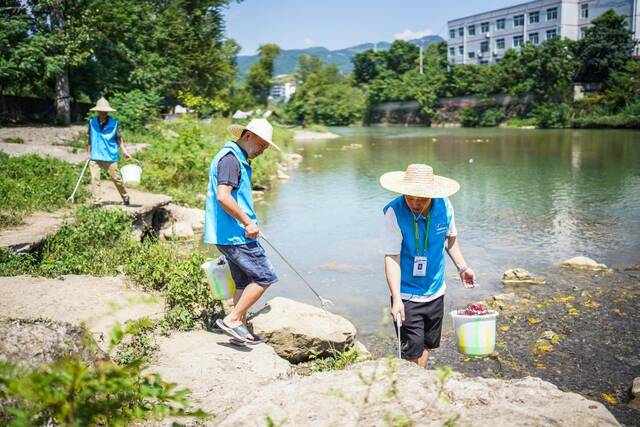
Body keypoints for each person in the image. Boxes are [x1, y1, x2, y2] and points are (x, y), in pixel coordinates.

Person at [380, 163, 477, 368]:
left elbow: (450, 239)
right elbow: (392, 257)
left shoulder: (445, 206)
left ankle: (419, 379)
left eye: (421, 198)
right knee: (410, 349)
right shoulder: (394, 213)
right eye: (410, 196)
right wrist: (397, 299)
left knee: (426, 344)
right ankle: (412, 385)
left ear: (432, 194)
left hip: (436, 291)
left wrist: (462, 268)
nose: (414, 202)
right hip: (407, 295)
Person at [204, 118, 281, 344]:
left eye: (266, 148)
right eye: (261, 145)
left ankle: (240, 331)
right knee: (265, 276)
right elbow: (223, 196)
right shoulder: (230, 160)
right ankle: (233, 319)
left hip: (227, 234)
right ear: (248, 136)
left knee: (243, 281)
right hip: (236, 234)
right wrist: (248, 222)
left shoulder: (236, 157)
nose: (262, 151)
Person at [87, 97, 133, 205]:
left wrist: (125, 152)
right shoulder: (92, 122)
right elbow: (90, 138)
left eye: (105, 111)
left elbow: (119, 139)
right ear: (97, 111)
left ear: (107, 111)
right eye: (101, 111)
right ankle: (97, 201)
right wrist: (88, 153)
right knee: (95, 179)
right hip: (95, 155)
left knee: (117, 179)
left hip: (109, 156)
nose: (103, 113)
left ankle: (125, 196)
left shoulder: (114, 123)